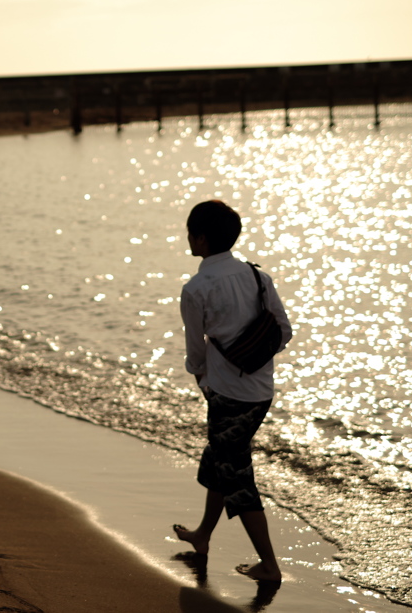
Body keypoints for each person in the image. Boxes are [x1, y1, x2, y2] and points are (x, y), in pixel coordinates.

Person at [172, 200, 292, 582]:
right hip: (260, 391)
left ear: (201, 238)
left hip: (227, 396)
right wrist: (251, 355)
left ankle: (270, 566)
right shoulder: (258, 278)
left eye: (190, 232)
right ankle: (203, 536)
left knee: (237, 477)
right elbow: (284, 332)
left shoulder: (197, 288)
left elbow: (195, 353)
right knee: (220, 461)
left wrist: (205, 381)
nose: (188, 238)